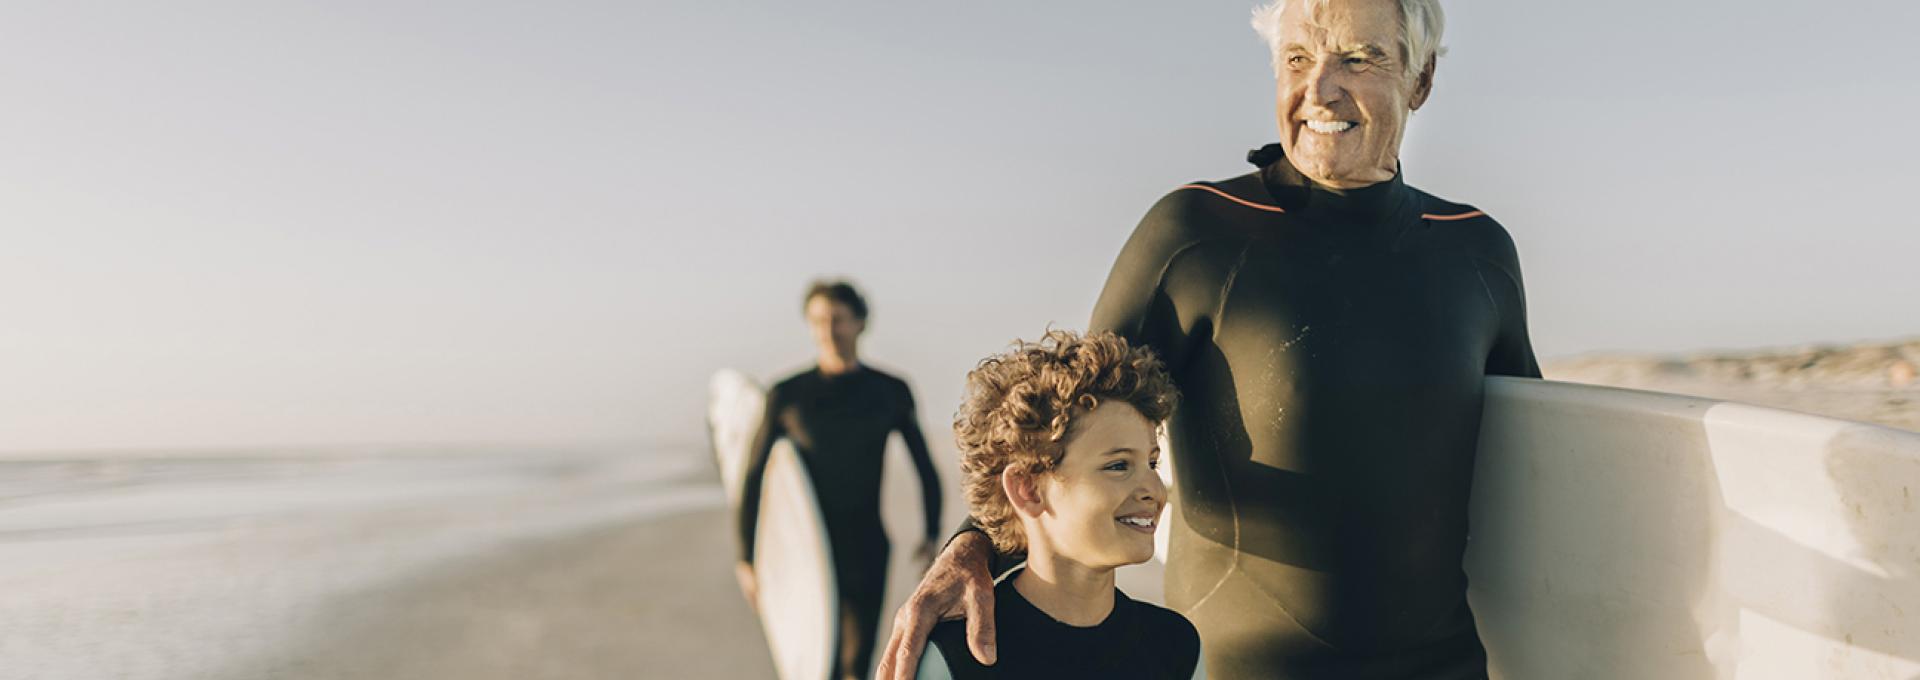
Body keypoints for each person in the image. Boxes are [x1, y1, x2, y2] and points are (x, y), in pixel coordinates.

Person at [878, 1, 1540, 678]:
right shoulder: (1200, 233)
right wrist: (971, 547)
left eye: (1357, 58)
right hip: (1236, 669)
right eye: (1297, 59)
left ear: (1420, 78)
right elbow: (1062, 426)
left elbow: (1541, 471)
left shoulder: (1476, 251)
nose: (1320, 89)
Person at [915, 330, 1200, 679]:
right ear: (1028, 490)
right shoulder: (955, 657)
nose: (1154, 489)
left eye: (1152, 464)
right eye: (1118, 465)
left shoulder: (1175, 645)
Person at [737, 280, 945, 680]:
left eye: (838, 319)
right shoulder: (788, 395)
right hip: (806, 553)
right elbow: (753, 476)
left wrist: (931, 532)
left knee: (855, 663)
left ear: (860, 323)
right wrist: (747, 558)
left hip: (866, 544)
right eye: (817, 320)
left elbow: (924, 467)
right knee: (817, 664)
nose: (828, 330)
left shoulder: (889, 391)